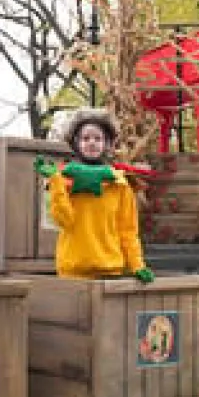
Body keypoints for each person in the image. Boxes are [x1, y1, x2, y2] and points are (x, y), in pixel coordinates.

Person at [35, 108, 153, 281]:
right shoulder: (63, 179)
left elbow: (128, 231)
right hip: (72, 271)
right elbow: (63, 220)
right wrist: (56, 182)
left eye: (98, 138)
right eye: (85, 138)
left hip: (110, 270)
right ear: (76, 143)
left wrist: (137, 265)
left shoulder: (120, 184)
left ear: (107, 143)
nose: (92, 143)